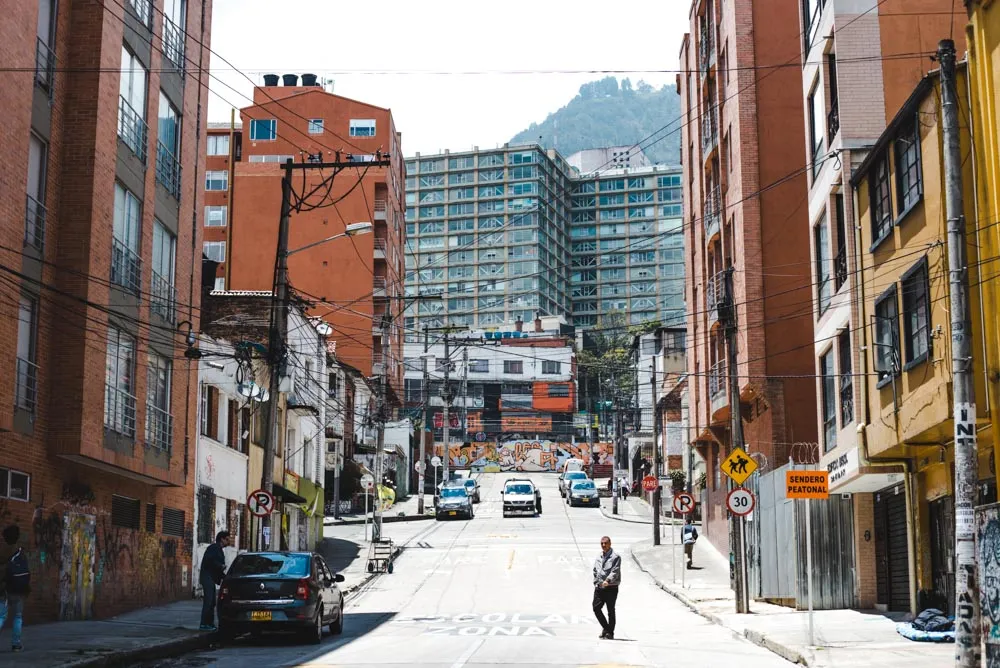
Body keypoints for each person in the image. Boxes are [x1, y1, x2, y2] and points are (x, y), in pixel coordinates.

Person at [0, 525, 28, 652]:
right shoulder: (20, 552)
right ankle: (16, 644)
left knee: (1, 616)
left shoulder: (3, 550)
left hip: (5, 589)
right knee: (18, 617)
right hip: (19, 590)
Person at [199, 531, 230, 631]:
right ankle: (204, 624)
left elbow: (216, 568)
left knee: (212, 601)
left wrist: (225, 577)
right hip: (207, 576)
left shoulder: (219, 549)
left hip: (211, 577)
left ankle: (210, 623)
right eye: (227, 539)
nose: (228, 541)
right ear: (222, 539)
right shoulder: (214, 548)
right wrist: (220, 566)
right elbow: (209, 561)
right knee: (209, 601)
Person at [592, 535, 621, 640]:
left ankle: (610, 633)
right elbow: (595, 570)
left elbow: (615, 571)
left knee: (610, 610)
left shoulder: (615, 557)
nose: (603, 545)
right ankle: (606, 628)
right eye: (602, 543)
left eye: (605, 543)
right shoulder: (599, 556)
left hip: (611, 587)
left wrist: (607, 581)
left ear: (610, 544)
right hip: (599, 586)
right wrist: (596, 580)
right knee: (596, 608)